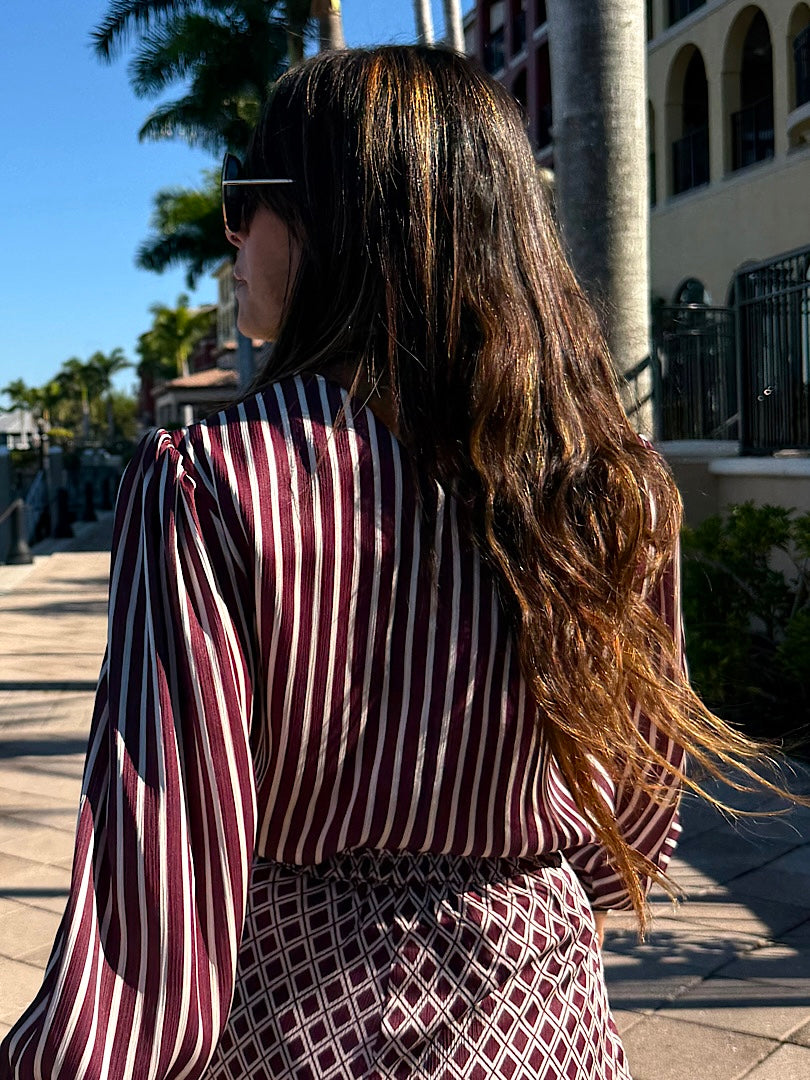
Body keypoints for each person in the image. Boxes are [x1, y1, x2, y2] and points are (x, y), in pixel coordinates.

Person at [0, 45, 791, 1080]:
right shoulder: (613, 481)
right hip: (544, 1012)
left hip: (302, 1019)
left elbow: (161, 893)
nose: (230, 235)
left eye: (246, 200)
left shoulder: (209, 481)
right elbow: (641, 791)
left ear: (338, 218)